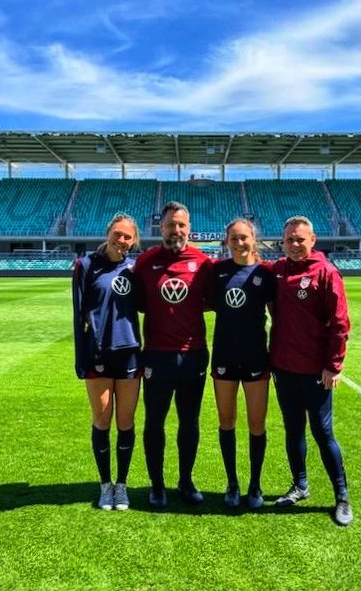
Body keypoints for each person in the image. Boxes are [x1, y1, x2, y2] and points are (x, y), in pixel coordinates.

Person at [270, 215, 353, 527]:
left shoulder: (326, 272)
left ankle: (341, 496)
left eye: (299, 239)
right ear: (282, 241)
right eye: (289, 239)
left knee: (322, 432)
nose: (294, 244)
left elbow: (340, 324)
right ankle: (300, 485)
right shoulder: (277, 270)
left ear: (312, 240)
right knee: (293, 430)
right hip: (283, 367)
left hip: (316, 372)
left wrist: (333, 366)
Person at [134, 201, 212, 508]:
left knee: (189, 422)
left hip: (193, 355)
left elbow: (212, 300)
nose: (175, 230)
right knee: (154, 422)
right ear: (160, 227)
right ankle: (157, 486)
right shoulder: (146, 262)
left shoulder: (203, 263)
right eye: (170, 224)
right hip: (156, 355)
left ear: (188, 228)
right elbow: (136, 301)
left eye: (181, 225)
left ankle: (186, 481)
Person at [72, 214, 141, 511]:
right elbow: (77, 314)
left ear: (134, 240)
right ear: (108, 233)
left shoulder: (136, 268)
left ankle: (121, 486)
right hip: (97, 355)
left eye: (127, 236)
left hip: (129, 354)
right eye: (117, 234)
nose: (121, 240)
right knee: (102, 420)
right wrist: (80, 358)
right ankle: (105, 485)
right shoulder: (86, 265)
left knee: (125, 422)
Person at [210, 218, 275, 509]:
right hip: (224, 356)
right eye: (233, 238)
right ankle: (232, 483)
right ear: (227, 242)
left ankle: (255, 485)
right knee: (226, 421)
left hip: (255, 357)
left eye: (244, 238)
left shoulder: (265, 273)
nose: (238, 243)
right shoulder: (217, 272)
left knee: (256, 424)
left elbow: (279, 317)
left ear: (254, 239)